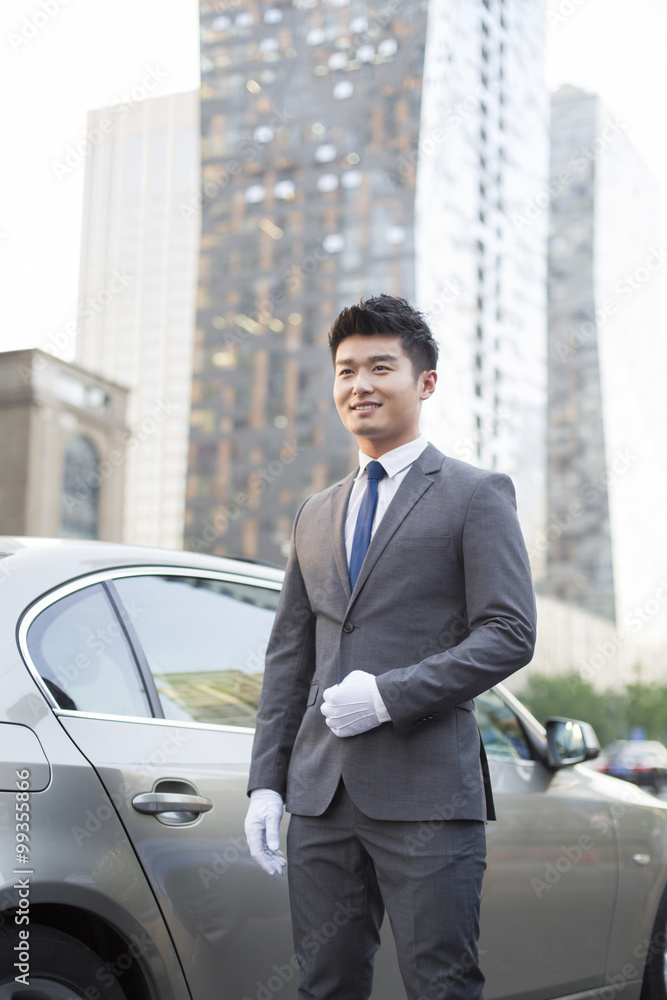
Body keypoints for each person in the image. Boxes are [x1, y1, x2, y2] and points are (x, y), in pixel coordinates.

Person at [244, 294, 536, 1000]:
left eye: (380, 366)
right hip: (318, 798)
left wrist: (386, 695)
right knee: (324, 984)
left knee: (441, 983)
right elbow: (290, 658)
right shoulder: (314, 513)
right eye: (346, 371)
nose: (360, 385)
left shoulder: (475, 494)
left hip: (427, 796)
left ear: (424, 383)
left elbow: (508, 634)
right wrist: (266, 782)